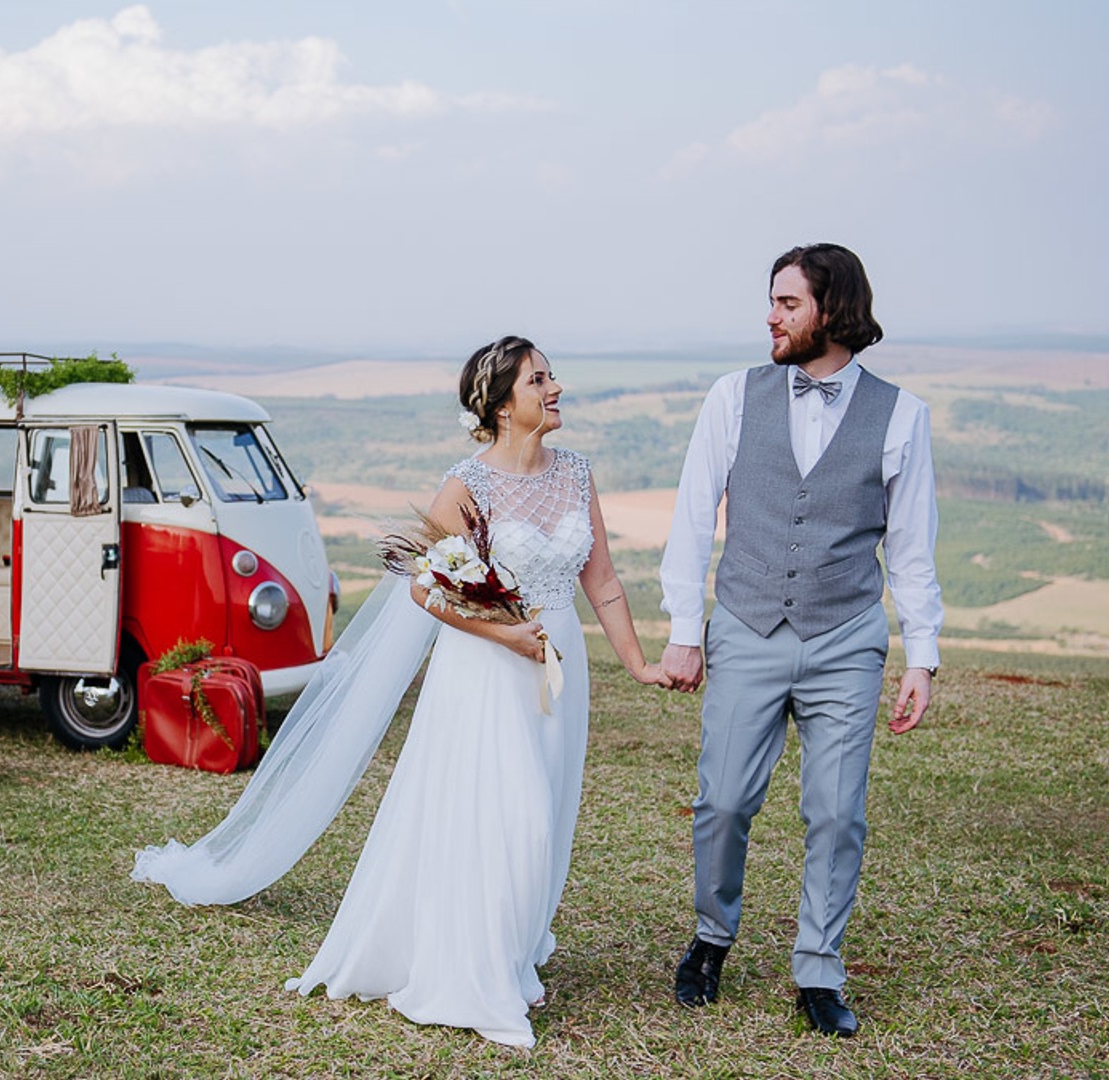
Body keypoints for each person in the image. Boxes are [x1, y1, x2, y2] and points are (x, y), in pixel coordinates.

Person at [135, 336, 671, 1049]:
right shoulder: (467, 485)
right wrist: (505, 635)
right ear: (502, 402)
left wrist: (637, 664)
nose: (556, 387)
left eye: (552, 375)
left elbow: (600, 581)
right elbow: (425, 588)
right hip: (486, 670)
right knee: (516, 818)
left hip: (557, 668)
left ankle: (508, 954)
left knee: (546, 812)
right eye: (540, 379)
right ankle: (470, 976)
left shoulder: (575, 473)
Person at [659, 243, 942, 1038]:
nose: (771, 316)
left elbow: (912, 550)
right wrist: (687, 631)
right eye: (772, 300)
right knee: (721, 801)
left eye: (788, 303)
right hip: (746, 625)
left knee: (837, 813)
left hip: (847, 638)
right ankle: (711, 939)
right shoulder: (732, 396)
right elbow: (691, 518)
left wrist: (921, 654)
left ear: (832, 311)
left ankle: (819, 969)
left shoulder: (903, 416)